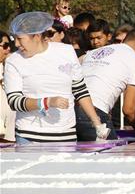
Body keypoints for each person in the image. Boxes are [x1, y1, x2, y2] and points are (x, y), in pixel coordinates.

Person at [4, 12, 109, 143]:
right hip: (30, 136)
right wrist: (46, 102)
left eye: (20, 39)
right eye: (15, 39)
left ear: (36, 36)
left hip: (65, 135)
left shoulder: (66, 52)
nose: (17, 44)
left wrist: (97, 123)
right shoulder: (14, 61)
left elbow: (80, 90)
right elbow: (14, 101)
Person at [78, 29, 135, 141]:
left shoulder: (93, 52)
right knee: (111, 155)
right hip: (94, 113)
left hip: (69, 111)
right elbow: (128, 109)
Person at [0, 31, 16, 141]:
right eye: (5, 46)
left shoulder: (8, 66)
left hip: (10, 134)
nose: (8, 49)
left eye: (9, 45)